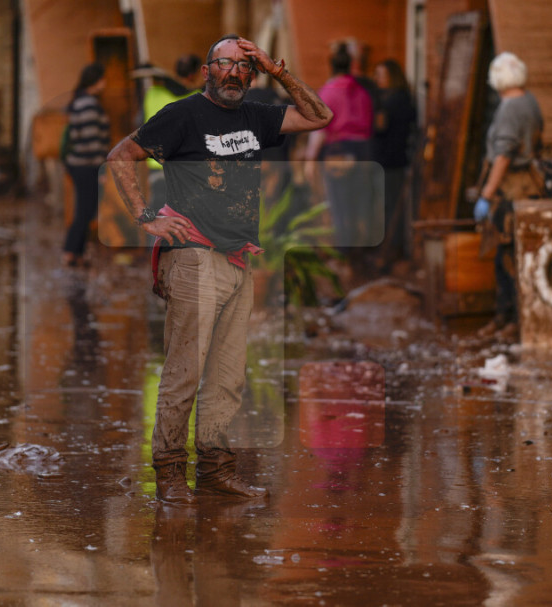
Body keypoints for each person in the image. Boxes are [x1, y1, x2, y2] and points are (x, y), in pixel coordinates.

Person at [107, 34, 332, 504]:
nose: (234, 73)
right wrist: (147, 218)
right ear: (206, 71)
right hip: (192, 255)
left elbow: (319, 116)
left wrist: (279, 71)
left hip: (237, 258)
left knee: (228, 377)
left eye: (243, 67)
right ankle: (170, 473)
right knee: (184, 373)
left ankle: (214, 470)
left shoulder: (256, 116)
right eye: (225, 64)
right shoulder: (182, 115)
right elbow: (121, 155)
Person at [472, 52, 545, 339]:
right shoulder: (530, 101)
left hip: (513, 190)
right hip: (529, 187)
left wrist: (487, 194)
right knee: (515, 256)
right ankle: (508, 318)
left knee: (508, 258)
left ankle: (511, 320)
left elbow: (503, 155)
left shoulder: (510, 109)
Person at [305, 42, 375, 257]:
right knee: (360, 202)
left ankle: (345, 253)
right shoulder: (362, 92)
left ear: (331, 67)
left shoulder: (328, 92)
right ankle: (360, 251)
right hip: (364, 151)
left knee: (340, 203)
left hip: (339, 150)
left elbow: (320, 128)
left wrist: (310, 159)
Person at [140, 54, 205, 215]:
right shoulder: (197, 97)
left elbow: (140, 123)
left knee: (158, 212)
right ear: (193, 75)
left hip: (156, 164)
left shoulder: (153, 93)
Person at [61, 62, 110, 267]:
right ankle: (70, 251)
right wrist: (102, 168)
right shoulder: (89, 104)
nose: (105, 83)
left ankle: (77, 252)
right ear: (95, 81)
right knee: (85, 210)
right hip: (87, 164)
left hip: (79, 163)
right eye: (102, 79)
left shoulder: (80, 101)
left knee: (85, 209)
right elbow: (92, 141)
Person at [371, 58, 417, 268]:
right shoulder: (399, 98)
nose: (377, 79)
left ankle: (392, 250)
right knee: (388, 206)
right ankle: (390, 249)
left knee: (391, 207)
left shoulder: (395, 100)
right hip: (390, 160)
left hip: (391, 161)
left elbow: (381, 127)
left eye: (381, 75)